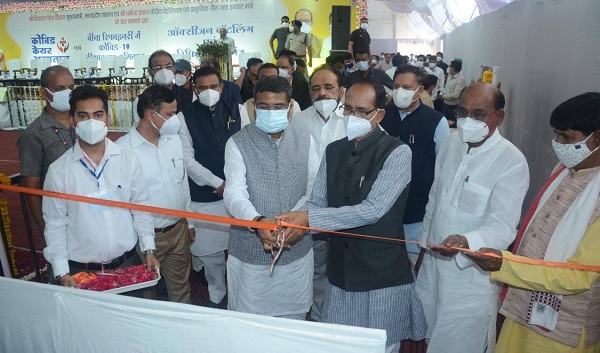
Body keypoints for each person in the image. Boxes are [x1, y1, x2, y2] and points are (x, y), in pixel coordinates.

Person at [277, 77, 427, 353]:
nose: (353, 116)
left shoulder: (397, 152)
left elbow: (373, 210)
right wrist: (292, 226)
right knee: (340, 344)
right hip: (342, 271)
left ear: (379, 114)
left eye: (362, 111)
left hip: (381, 273)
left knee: (382, 345)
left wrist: (308, 219)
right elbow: (318, 201)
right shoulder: (334, 150)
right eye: (348, 110)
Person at [465, 92, 600, 353]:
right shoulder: (562, 171)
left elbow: (581, 275)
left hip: (563, 330)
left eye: (567, 138)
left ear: (597, 137)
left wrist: (505, 265)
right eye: (556, 135)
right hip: (523, 307)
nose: (557, 144)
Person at [415, 82, 530, 353]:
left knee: (458, 342)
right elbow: (435, 199)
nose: (467, 120)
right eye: (463, 112)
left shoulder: (511, 161)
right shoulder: (451, 143)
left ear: (498, 117)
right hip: (433, 265)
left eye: (478, 114)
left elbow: (503, 226)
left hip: (470, 278)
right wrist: (422, 248)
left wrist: (466, 240)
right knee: (429, 334)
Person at [43, 85, 159, 288]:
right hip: (81, 272)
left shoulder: (127, 160)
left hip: (127, 264)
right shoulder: (58, 170)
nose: (91, 122)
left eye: (97, 115)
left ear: (107, 118)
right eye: (83, 116)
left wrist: (149, 249)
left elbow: (141, 207)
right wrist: (62, 272)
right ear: (72, 121)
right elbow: (55, 225)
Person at [223, 76, 319, 319]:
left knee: (294, 318)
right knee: (249, 320)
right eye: (264, 106)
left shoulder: (305, 140)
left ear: (290, 107)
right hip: (250, 251)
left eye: (278, 106)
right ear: (254, 106)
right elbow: (234, 192)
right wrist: (259, 221)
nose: (271, 111)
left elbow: (314, 188)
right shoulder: (237, 142)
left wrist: (293, 222)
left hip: (296, 245)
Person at [177, 66, 250, 308]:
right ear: (195, 90)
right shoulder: (183, 118)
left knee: (241, 251)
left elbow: (248, 147)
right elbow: (187, 160)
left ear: (221, 87)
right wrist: (217, 183)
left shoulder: (238, 110)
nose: (209, 91)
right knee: (212, 256)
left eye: (213, 86)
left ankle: (242, 296)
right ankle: (217, 296)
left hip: (239, 194)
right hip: (205, 197)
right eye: (202, 88)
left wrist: (234, 184)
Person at [116, 85, 194, 304]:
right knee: (145, 296)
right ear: (151, 114)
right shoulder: (122, 151)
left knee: (181, 291)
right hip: (145, 238)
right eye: (170, 114)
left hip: (178, 229)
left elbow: (182, 181)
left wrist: (189, 221)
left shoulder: (173, 140)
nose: (175, 119)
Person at [291, 65, 347, 322]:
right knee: (316, 266)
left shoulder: (354, 118)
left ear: (341, 91)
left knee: (345, 267)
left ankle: (341, 316)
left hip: (347, 210)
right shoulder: (299, 120)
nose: (322, 94)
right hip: (310, 207)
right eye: (316, 88)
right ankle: (318, 317)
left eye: (329, 87)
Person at [380, 65, 450, 265]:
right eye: (396, 86)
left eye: (407, 87)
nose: (400, 91)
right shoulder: (381, 116)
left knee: (414, 268)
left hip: (418, 213)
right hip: (383, 211)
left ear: (420, 90)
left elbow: (442, 168)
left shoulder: (436, 121)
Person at [17, 66, 75, 242]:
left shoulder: (83, 122)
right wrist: (45, 229)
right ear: (44, 92)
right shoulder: (33, 134)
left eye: (71, 88)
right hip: (59, 218)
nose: (67, 93)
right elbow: (31, 189)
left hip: (91, 211)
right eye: (59, 89)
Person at [440, 59, 467, 127]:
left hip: (454, 106)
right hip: (446, 105)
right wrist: (442, 93)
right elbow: (446, 88)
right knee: (446, 123)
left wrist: (443, 96)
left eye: (450, 66)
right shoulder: (449, 76)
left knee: (453, 124)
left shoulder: (461, 79)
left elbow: (456, 95)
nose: (448, 68)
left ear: (453, 68)